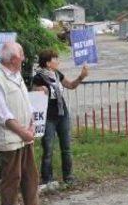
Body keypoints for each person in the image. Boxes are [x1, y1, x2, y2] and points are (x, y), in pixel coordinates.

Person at [0, 42, 44, 205]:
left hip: (24, 135)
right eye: (22, 54)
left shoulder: (16, 74)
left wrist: (31, 124)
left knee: (30, 174)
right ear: (13, 59)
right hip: (10, 137)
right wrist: (23, 131)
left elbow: (25, 102)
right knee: (12, 178)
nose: (24, 57)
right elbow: (3, 114)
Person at [32, 49, 88, 186]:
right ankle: (47, 179)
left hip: (62, 113)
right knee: (48, 148)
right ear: (47, 63)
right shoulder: (38, 77)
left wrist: (81, 77)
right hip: (48, 116)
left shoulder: (57, 74)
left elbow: (70, 85)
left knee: (66, 146)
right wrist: (38, 90)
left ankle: (68, 176)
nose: (58, 61)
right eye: (55, 59)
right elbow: (33, 93)